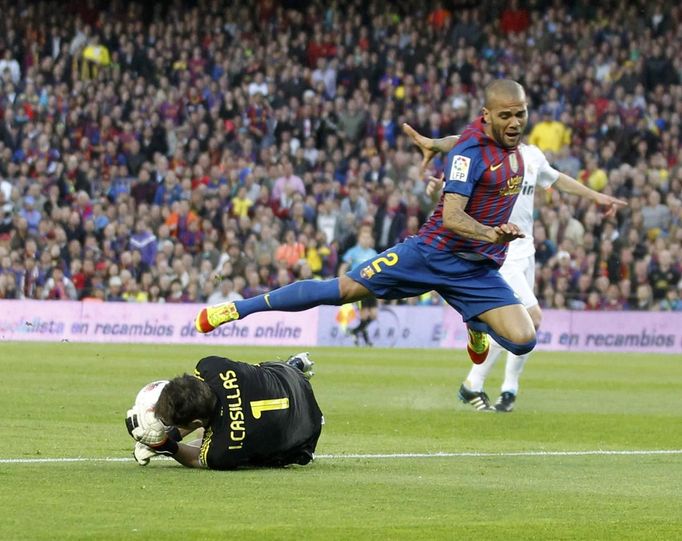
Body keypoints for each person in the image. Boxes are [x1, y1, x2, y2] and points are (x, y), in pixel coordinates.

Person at [196, 80, 543, 361]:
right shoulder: (471, 151)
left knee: (525, 339)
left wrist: (438, 144)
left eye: (520, 114)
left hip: (476, 269)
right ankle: (237, 309)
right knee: (343, 289)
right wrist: (491, 234)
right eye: (506, 116)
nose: (515, 123)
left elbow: (464, 142)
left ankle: (476, 322)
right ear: (487, 116)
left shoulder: (496, 142)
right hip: (431, 253)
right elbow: (452, 217)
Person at [402, 125, 627, 412]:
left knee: (520, 323)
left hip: (526, 249)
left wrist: (596, 197)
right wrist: (433, 144)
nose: (513, 123)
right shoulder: (486, 152)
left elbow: (557, 179)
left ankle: (496, 389)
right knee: (531, 319)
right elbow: (458, 144)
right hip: (500, 247)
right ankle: (485, 382)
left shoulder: (532, 156)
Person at [125, 352, 322, 470]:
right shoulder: (211, 367)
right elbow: (194, 403)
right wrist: (170, 435)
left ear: (194, 423)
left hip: (306, 435)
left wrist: (163, 445)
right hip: (289, 377)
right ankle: (294, 367)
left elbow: (195, 458)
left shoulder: (222, 450)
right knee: (254, 377)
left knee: (210, 441)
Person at [338, 225, 379, 346]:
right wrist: (341, 280)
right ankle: (366, 341)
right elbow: (344, 266)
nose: (366, 240)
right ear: (359, 239)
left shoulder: (373, 253)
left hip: (372, 287)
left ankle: (354, 332)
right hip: (359, 286)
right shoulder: (353, 252)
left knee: (373, 315)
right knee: (364, 315)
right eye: (363, 237)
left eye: (368, 238)